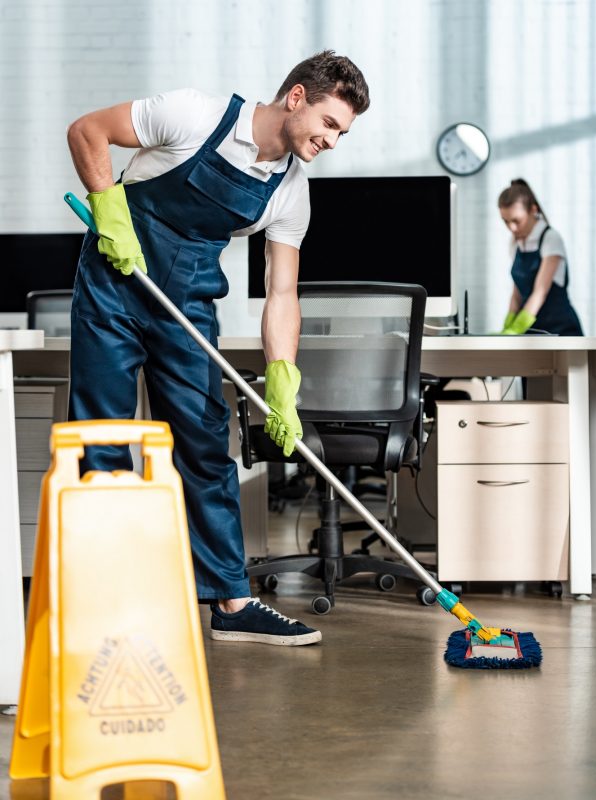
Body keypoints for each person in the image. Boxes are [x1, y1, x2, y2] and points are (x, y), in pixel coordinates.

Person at [66, 50, 370, 646]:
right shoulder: (194, 115)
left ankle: (232, 603)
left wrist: (282, 377)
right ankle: (103, 601)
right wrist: (109, 210)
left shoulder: (290, 191)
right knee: (101, 437)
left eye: (344, 133)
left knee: (205, 446)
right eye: (331, 124)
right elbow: (87, 132)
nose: (334, 141)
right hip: (113, 290)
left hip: (188, 308)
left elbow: (281, 293)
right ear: (297, 98)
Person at [497, 178, 583, 335]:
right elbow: (517, 292)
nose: (511, 228)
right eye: (506, 221)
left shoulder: (550, 238)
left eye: (516, 221)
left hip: (561, 330)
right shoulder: (515, 242)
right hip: (532, 329)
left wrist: (516, 329)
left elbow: (540, 292)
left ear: (533, 210)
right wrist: (508, 324)